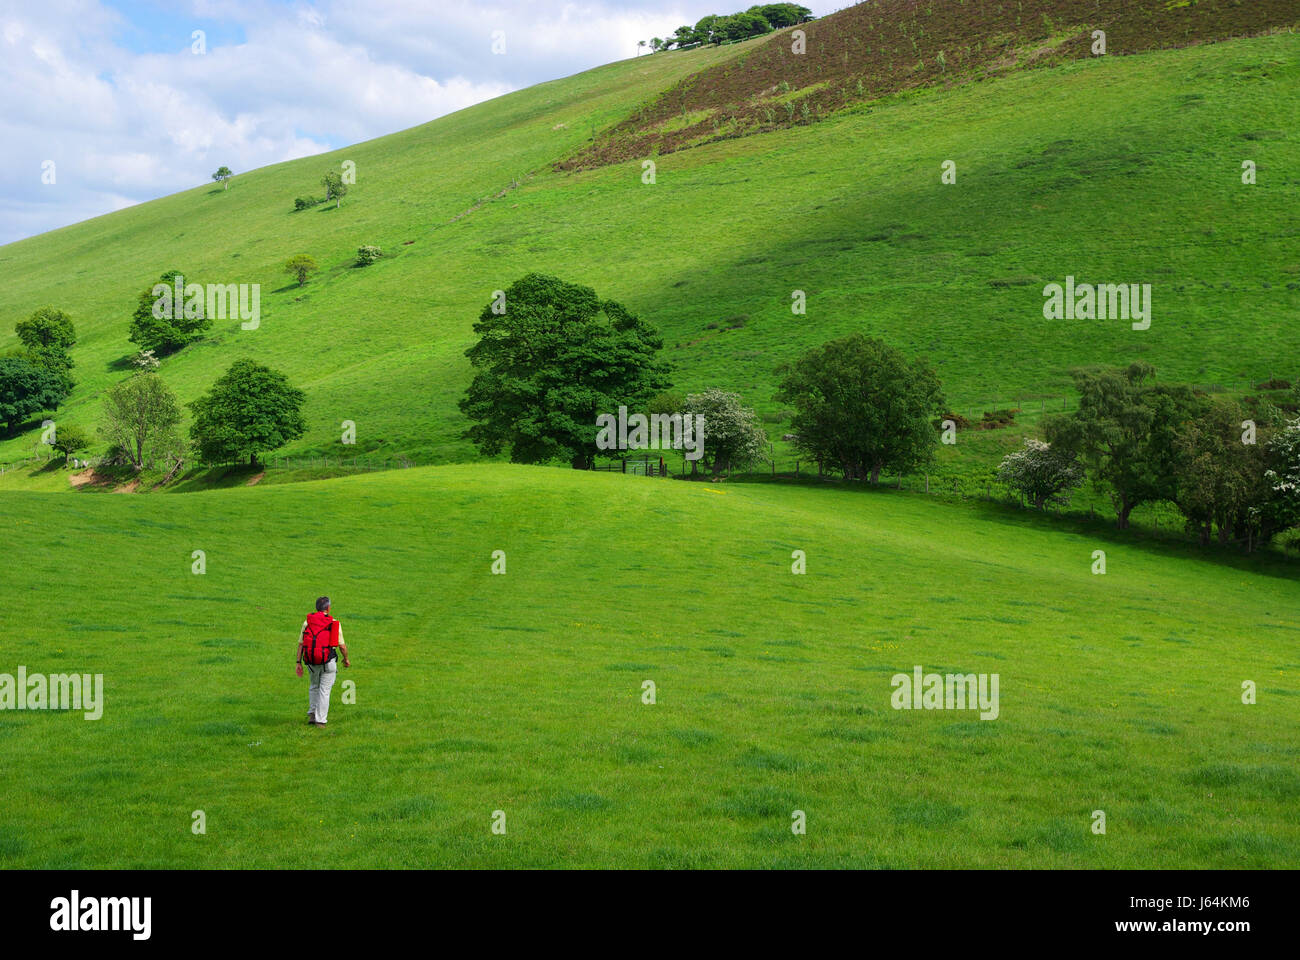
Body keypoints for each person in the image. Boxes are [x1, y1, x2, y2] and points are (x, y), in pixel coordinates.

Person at [295, 596, 350, 726]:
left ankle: (312, 715)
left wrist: (298, 662)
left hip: (311, 661)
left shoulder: (307, 622)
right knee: (324, 690)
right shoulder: (334, 623)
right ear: (328, 608)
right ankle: (321, 721)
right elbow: (342, 646)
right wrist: (346, 659)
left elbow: (301, 644)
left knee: (314, 686)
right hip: (328, 662)